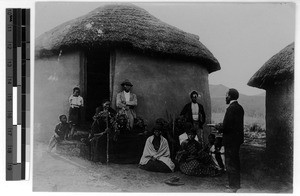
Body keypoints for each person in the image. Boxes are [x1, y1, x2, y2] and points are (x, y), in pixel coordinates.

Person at [216, 88, 244, 192]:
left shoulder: (230, 108)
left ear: (230, 96)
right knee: (235, 162)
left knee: (230, 163)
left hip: (230, 141)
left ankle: (233, 187)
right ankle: (236, 185)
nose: (225, 97)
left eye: (226, 95)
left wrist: (218, 127)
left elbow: (226, 127)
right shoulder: (240, 108)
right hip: (236, 140)